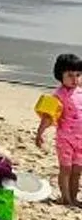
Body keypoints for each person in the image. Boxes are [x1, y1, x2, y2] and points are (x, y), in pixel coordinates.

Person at [34, 51, 82, 207]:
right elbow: (48, 117)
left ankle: (74, 198)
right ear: (60, 76)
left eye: (78, 75)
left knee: (77, 170)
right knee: (66, 169)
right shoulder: (58, 95)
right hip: (65, 139)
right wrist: (40, 133)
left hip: (80, 139)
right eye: (70, 75)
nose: (75, 79)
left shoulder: (81, 92)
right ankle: (66, 198)